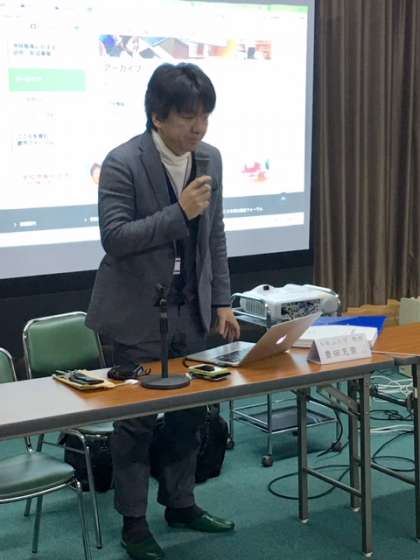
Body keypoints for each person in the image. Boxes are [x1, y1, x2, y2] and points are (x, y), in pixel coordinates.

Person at [86, 62, 240, 560]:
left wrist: (221, 299)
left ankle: (180, 502)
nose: (199, 128)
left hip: (190, 310)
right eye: (188, 117)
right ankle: (134, 523)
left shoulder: (210, 158)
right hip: (137, 312)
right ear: (158, 116)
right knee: (135, 420)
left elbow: (215, 236)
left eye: (205, 117)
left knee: (189, 413)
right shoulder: (122, 162)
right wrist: (179, 213)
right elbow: (115, 238)